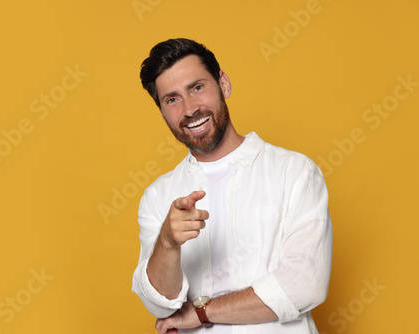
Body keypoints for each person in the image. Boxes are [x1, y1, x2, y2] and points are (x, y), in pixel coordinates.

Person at [132, 38, 333, 334]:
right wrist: (167, 243)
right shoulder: (157, 196)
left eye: (197, 88)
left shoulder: (295, 172)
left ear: (223, 84)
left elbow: (305, 284)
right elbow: (161, 305)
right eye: (172, 99)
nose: (189, 109)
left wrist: (201, 312)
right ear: (162, 112)